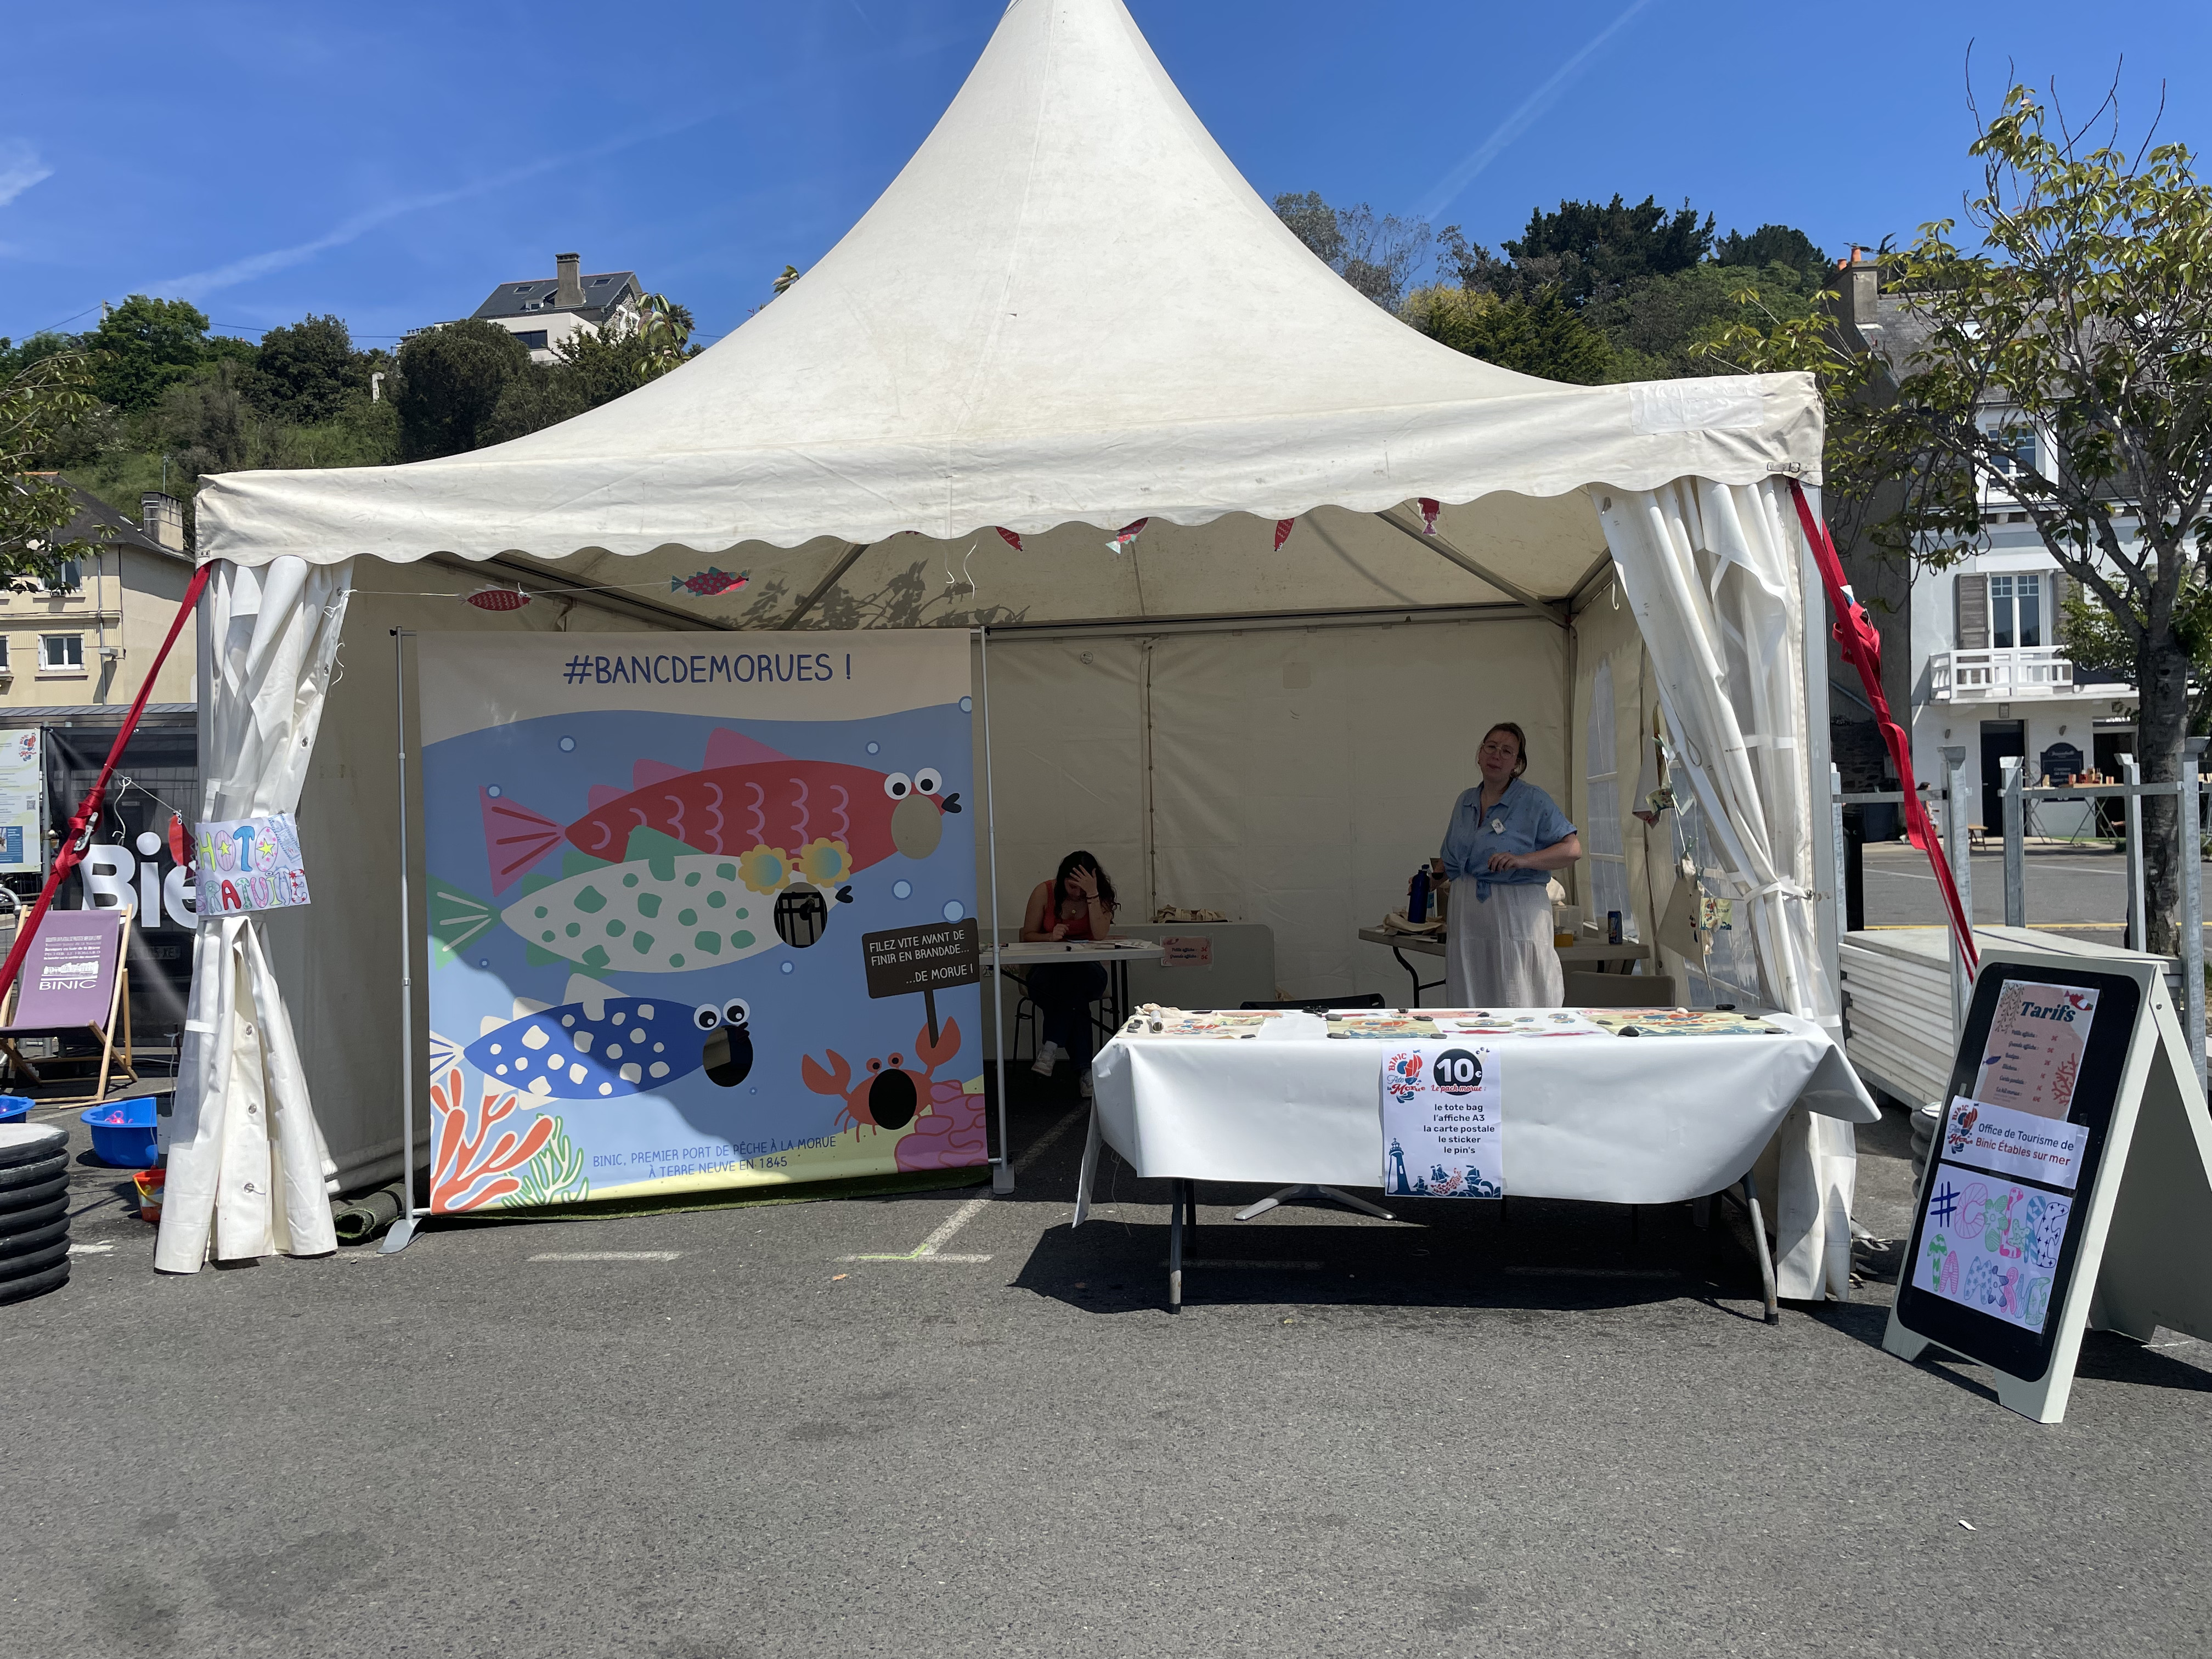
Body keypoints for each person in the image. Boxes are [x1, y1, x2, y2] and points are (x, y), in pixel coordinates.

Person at [1432, 722, 1581, 1007]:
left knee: (1518, 991)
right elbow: (1451, 859)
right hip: (1467, 915)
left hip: (1515, 913)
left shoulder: (1532, 800)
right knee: (1471, 992)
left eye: (1507, 751)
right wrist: (1430, 881)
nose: (1496, 755)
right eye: (1491, 747)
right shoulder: (1465, 801)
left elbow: (1573, 849)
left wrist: (1522, 860)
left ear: (1517, 763)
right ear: (1479, 754)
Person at [1020, 851, 1119, 1094]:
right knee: (1075, 997)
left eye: (1082, 887)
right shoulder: (1044, 892)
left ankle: (1051, 1047)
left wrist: (1093, 895)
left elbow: (1099, 935)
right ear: (1061, 879)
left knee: (1075, 980)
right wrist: (1049, 937)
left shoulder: (1100, 895)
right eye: (1072, 886)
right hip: (1047, 973)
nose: (1077, 892)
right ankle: (1086, 1072)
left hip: (1089, 972)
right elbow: (1027, 936)